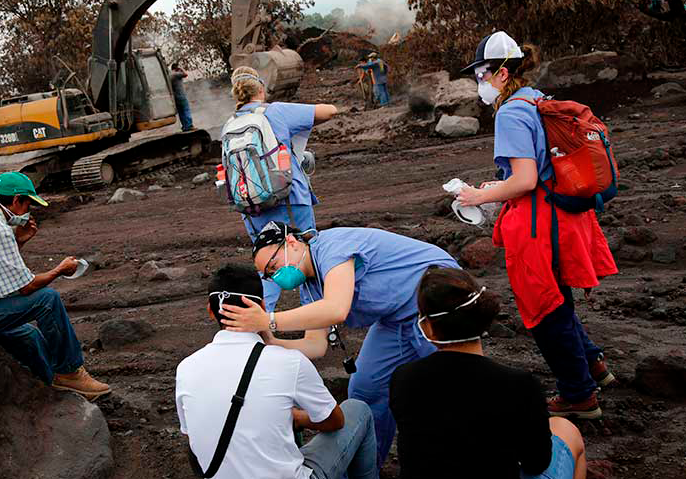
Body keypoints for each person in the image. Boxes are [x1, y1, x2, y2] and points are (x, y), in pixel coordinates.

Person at [457, 31, 617, 418]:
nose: (479, 82)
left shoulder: (511, 110)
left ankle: (579, 395)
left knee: (544, 308)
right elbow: (539, 170)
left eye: (481, 74)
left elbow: (526, 180)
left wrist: (478, 197)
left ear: (500, 72)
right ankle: (593, 364)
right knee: (559, 298)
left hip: (537, 225)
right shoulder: (536, 99)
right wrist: (502, 185)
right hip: (564, 216)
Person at [219, 221, 460, 466]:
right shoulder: (310, 288)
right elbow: (316, 345)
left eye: (273, 265)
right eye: (269, 275)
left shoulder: (333, 247)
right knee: (365, 389)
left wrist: (269, 320)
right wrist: (270, 341)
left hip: (436, 297)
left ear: (291, 242)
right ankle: (367, 467)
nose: (276, 276)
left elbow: (336, 309)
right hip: (397, 316)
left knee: (447, 387)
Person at [176, 264, 378, 479]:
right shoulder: (289, 362)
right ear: (262, 307)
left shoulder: (186, 367)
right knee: (358, 409)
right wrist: (298, 418)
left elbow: (193, 437)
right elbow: (335, 421)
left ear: (210, 310)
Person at [390, 267, 587, 479]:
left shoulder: (403, 377)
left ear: (428, 326)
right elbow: (537, 462)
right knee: (565, 429)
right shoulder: (520, 384)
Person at [0, 172, 111, 400]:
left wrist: (19, 241)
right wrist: (59, 270)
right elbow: (25, 287)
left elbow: (4, 276)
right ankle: (70, 372)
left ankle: (52, 385)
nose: (28, 211)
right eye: (28, 204)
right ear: (16, 201)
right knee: (47, 300)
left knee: (29, 334)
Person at [226, 66, 338, 311]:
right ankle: (317, 324)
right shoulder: (275, 112)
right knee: (306, 259)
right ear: (261, 90)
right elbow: (330, 111)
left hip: (251, 208)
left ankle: (260, 323)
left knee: (268, 264)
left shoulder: (230, 125)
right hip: (289, 200)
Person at [171, 62, 194, 132]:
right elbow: (185, 74)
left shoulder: (170, 75)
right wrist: (181, 68)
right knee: (186, 110)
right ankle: (189, 125)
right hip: (181, 95)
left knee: (181, 112)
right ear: (176, 68)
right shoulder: (176, 74)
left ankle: (185, 126)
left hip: (176, 97)